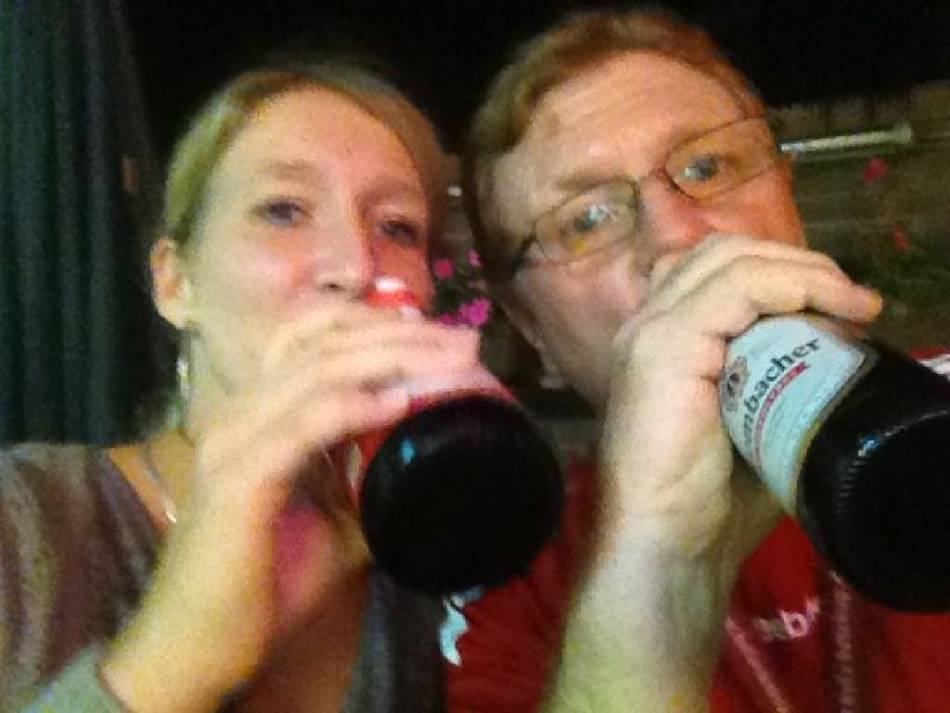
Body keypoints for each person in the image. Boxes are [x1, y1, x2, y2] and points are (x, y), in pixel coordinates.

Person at [0, 59, 542, 712]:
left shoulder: (434, 557)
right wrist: (166, 668)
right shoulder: (23, 524)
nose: (354, 266)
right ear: (176, 283)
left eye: (397, 227)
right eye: (284, 210)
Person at [460, 7, 950, 712]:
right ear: (532, 330)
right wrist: (655, 568)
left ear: (788, 200)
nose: (679, 238)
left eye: (708, 166)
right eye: (586, 219)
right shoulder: (516, 592)